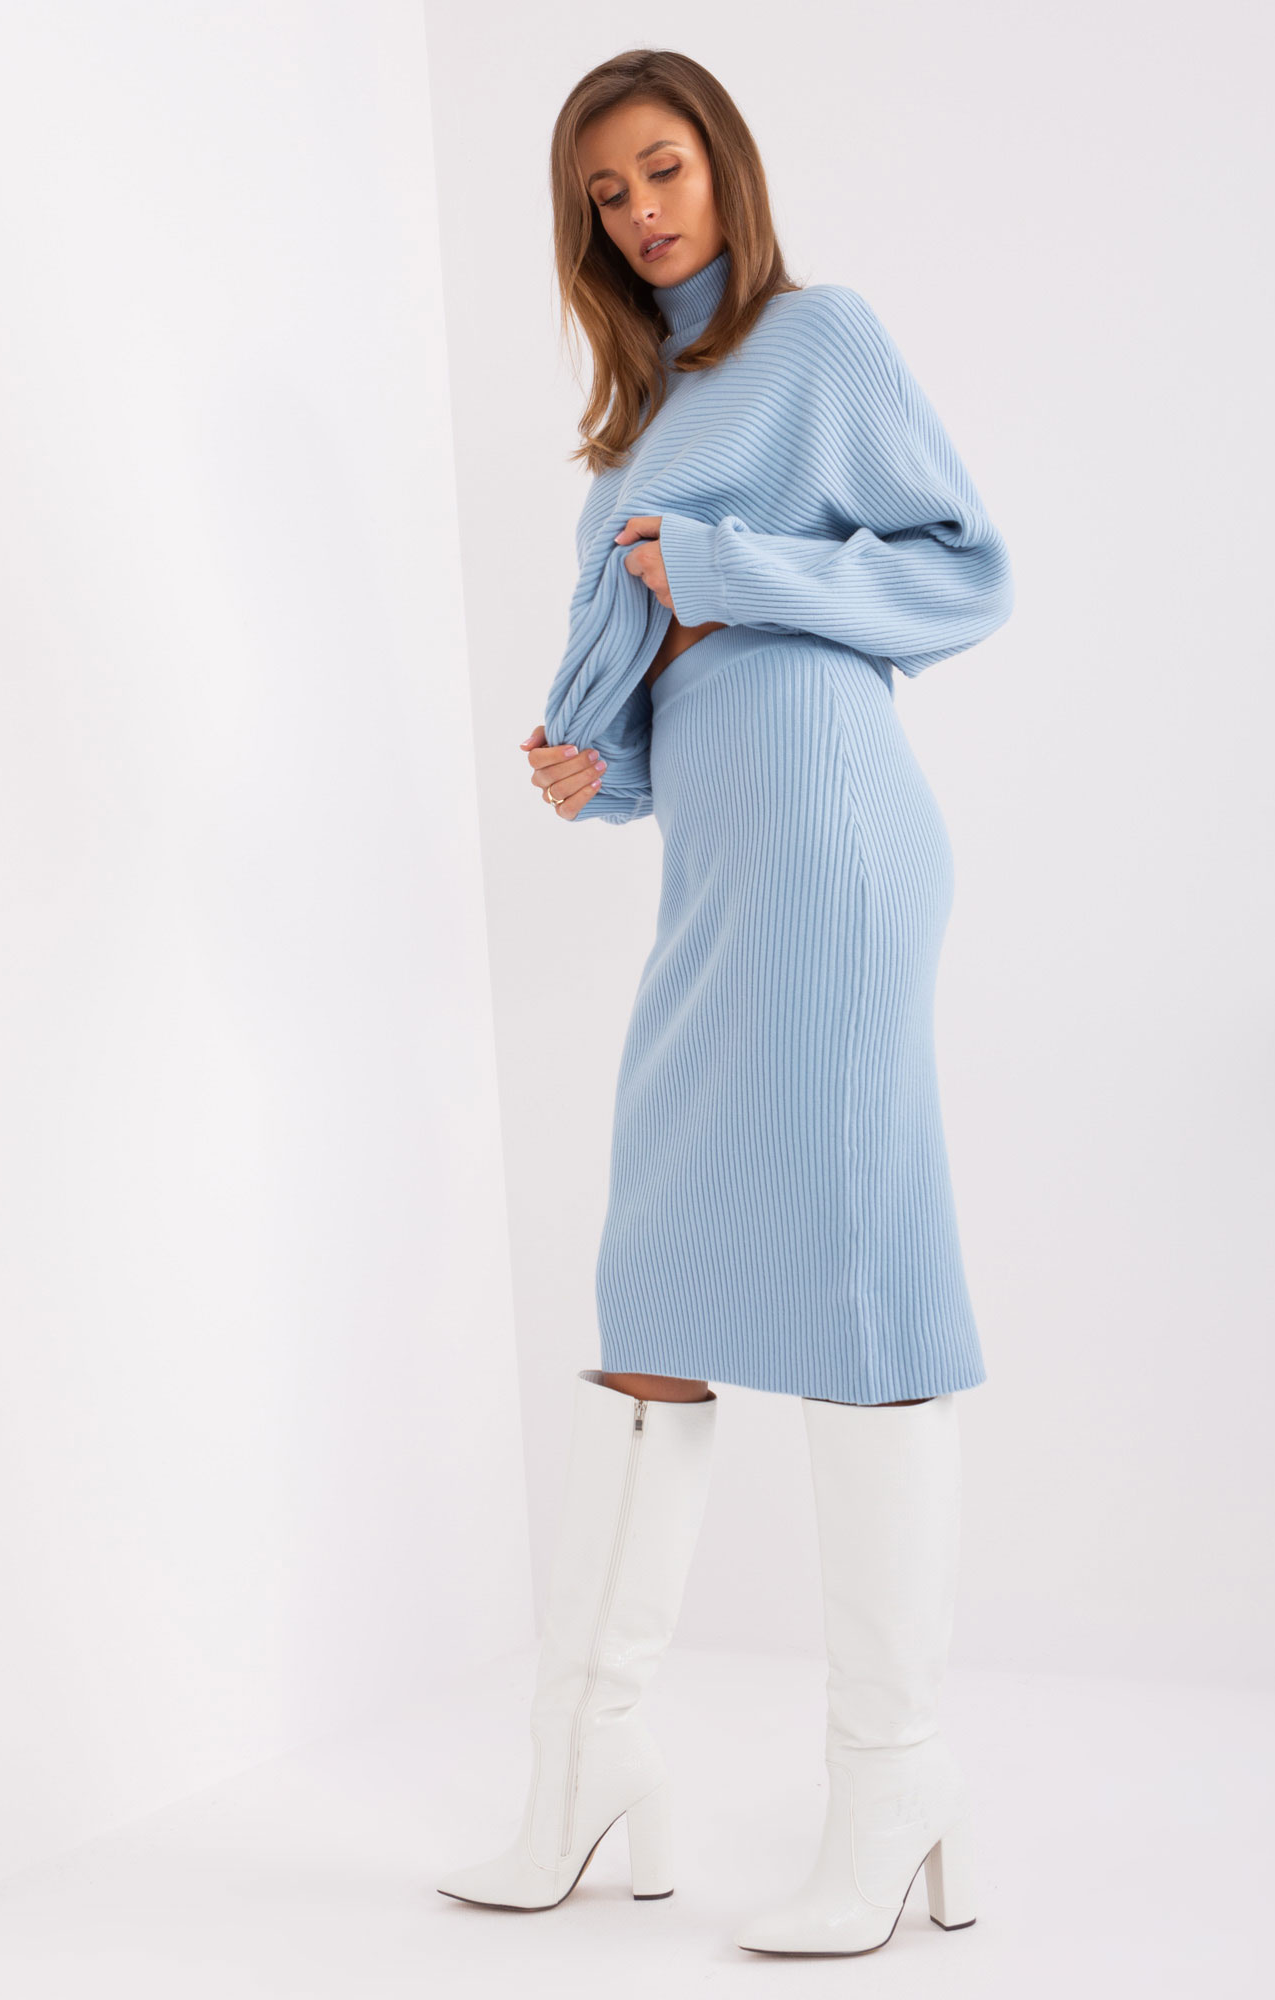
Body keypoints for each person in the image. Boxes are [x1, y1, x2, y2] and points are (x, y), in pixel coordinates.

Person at [436, 47, 1012, 1957]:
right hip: (718, 875)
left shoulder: (819, 344)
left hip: (838, 855)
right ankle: (586, 1767)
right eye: (606, 193)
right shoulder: (631, 434)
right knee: (651, 1297)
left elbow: (963, 573)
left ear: (725, 166)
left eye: (663, 168)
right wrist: (598, 768)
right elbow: (683, 703)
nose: (641, 211)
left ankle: (895, 1778)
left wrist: (727, 564)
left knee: (858, 1281)